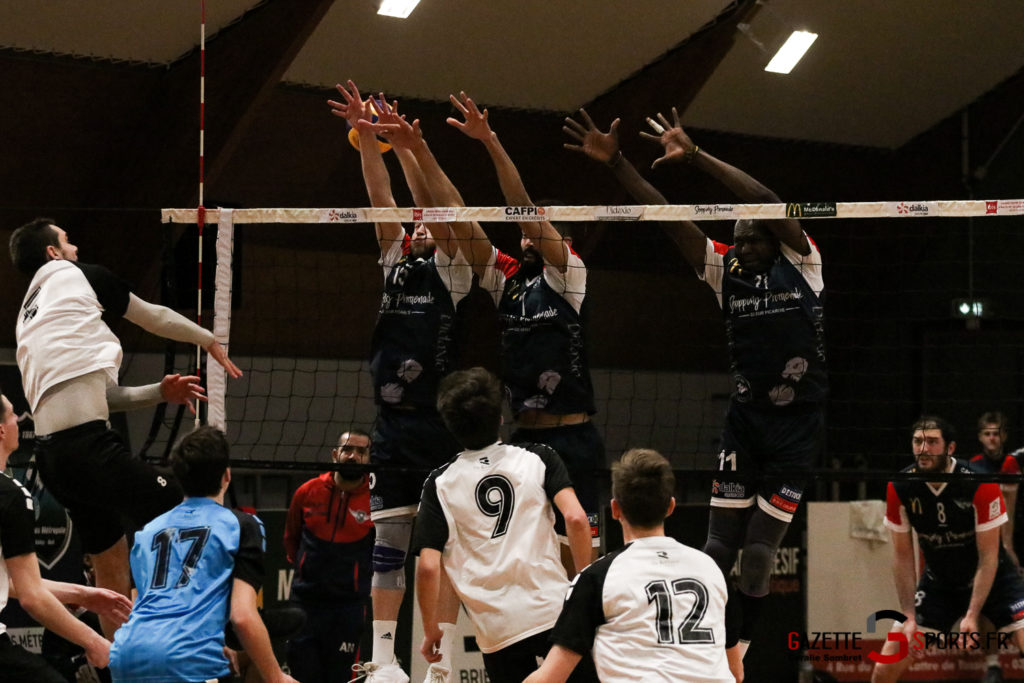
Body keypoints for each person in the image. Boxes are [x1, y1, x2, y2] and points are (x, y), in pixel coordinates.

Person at [563, 106, 826, 656]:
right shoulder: (723, 269)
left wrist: (700, 156)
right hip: (746, 422)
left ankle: (741, 655)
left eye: (754, 238)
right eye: (739, 239)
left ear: (774, 241)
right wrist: (619, 167)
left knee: (758, 557)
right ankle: (705, 647)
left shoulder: (802, 262)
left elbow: (769, 203)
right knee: (716, 547)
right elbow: (666, 216)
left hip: (797, 427)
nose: (745, 246)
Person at [9, 217, 242, 637]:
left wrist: (159, 391)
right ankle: (207, 634)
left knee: (109, 564)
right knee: (187, 505)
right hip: (87, 449)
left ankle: (114, 667)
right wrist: (207, 338)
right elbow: (151, 315)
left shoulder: (31, 314)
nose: (75, 246)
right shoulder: (79, 276)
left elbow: (97, 396)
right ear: (52, 252)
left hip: (55, 460)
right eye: (67, 239)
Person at [329, 81, 477, 683]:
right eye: (409, 227)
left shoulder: (455, 268)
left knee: (444, 552)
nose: (412, 228)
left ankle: (437, 662)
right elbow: (379, 196)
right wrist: (367, 138)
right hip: (390, 425)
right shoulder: (395, 258)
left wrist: (413, 148)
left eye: (422, 225)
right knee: (389, 547)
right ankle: (387, 658)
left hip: (441, 427)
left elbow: (443, 209)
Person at [445, 93, 604, 571]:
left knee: (582, 551)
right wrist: (416, 150)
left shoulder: (569, 275)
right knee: (529, 554)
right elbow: (458, 215)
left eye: (538, 228)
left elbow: (522, 206)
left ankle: (588, 631)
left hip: (574, 438)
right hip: (524, 441)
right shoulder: (507, 279)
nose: (528, 234)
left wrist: (490, 140)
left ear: (562, 238)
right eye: (525, 232)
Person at [412, 367, 595, 683]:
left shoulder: (439, 484)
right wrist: (581, 587)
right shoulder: (539, 457)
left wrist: (431, 630)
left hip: (499, 632)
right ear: (500, 416)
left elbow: (428, 568)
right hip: (554, 615)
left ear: (450, 426)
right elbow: (577, 519)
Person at [525, 448, 741, 683]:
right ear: (670, 507)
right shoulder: (711, 570)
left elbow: (550, 678)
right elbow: (735, 673)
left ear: (615, 509)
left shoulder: (597, 578)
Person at [108, 425, 296, 683]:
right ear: (226, 476)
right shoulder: (241, 525)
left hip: (127, 656)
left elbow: (144, 603)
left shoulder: (147, 532)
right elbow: (241, 616)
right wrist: (277, 677)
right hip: (187, 660)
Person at [871, 416, 1024, 683]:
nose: (923, 449)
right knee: (884, 669)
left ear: (950, 448)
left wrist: (972, 615)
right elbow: (903, 557)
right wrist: (908, 616)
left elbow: (988, 557)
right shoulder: (901, 487)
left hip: (996, 579)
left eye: (932, 442)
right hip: (939, 583)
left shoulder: (979, 482)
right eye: (918, 441)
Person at [1, 391, 133, 682]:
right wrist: (95, 641)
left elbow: (6, 582)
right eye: (11, 415)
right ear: (1, 430)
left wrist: (84, 594)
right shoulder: (10, 495)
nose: (17, 422)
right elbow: (31, 595)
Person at [284, 429, 374, 682]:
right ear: (335, 454)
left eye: (361, 451)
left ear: (369, 459)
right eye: (347, 450)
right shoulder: (307, 492)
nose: (353, 456)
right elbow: (291, 540)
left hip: (347, 610)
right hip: (305, 605)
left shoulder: (376, 502)